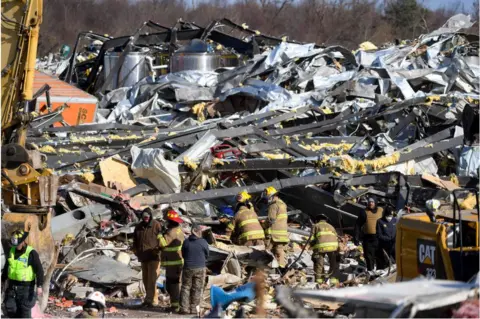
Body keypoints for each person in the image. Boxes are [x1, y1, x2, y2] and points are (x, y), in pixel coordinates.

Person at [2, 230, 44, 318]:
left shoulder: (31, 253)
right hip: (12, 287)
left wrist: (39, 286)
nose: (16, 247)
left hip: (26, 289)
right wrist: (2, 280)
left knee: (24, 311)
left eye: (18, 244)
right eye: (14, 245)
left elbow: (39, 270)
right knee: (11, 308)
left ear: (23, 241)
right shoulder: (12, 251)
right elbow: (7, 266)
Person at [132, 207, 162, 307]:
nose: (146, 219)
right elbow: (135, 241)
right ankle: (149, 299)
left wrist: (158, 250)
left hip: (154, 257)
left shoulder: (156, 225)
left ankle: (152, 301)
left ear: (150, 217)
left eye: (147, 217)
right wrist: (135, 250)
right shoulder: (138, 227)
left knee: (152, 280)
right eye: (144, 217)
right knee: (145, 279)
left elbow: (162, 240)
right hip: (143, 257)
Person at [158, 209, 185, 312]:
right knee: (175, 284)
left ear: (170, 221)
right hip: (178, 262)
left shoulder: (170, 232)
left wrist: (160, 234)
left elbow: (162, 244)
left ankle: (175, 306)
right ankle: (176, 305)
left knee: (173, 285)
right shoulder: (179, 230)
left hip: (172, 263)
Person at [180, 223, 209, 315]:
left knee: (185, 288)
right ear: (199, 232)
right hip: (200, 267)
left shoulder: (186, 242)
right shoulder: (203, 242)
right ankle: (194, 309)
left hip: (188, 267)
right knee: (197, 288)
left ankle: (184, 308)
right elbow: (207, 255)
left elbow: (183, 254)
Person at [354, 197, 383, 271]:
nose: (370, 203)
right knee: (369, 257)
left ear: (376, 202)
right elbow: (358, 225)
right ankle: (371, 273)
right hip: (368, 239)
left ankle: (380, 273)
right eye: (369, 202)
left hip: (379, 238)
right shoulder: (364, 212)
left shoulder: (381, 210)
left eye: (372, 202)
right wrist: (356, 237)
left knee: (380, 257)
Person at [263, 186, 289, 269]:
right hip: (282, 234)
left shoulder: (273, 205)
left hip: (273, 234)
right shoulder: (283, 204)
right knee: (279, 251)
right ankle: (281, 268)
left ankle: (264, 270)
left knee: (267, 251)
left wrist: (263, 226)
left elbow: (271, 219)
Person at [311, 214, 339, 285]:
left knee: (319, 263)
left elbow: (312, 239)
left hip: (321, 247)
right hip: (333, 247)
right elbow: (336, 237)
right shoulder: (331, 226)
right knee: (333, 263)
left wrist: (313, 250)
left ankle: (319, 281)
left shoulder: (315, 226)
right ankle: (333, 279)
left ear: (317, 220)